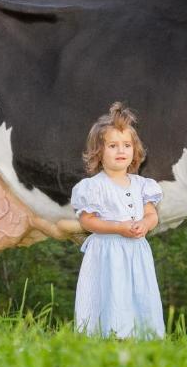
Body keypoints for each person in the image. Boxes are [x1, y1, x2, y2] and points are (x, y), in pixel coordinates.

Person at [70, 102, 164, 338]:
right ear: (98, 152)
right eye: (113, 146)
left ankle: (142, 335)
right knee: (109, 294)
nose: (121, 151)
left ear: (135, 150)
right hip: (107, 253)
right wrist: (118, 227)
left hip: (136, 251)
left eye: (126, 145)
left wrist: (145, 224)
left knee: (138, 293)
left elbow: (152, 214)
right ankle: (107, 335)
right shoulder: (93, 187)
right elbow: (87, 221)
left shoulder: (143, 185)